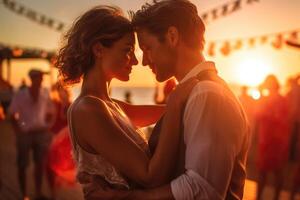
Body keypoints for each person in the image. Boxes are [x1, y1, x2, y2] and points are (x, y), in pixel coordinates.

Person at [86, 1, 250, 199]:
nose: (144, 61)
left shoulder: (206, 94)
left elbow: (203, 190)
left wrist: (121, 197)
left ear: (172, 37)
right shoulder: (195, 93)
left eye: (147, 48)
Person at [55, 5, 197, 199]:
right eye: (127, 50)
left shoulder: (110, 105)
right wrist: (177, 101)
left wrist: (196, 97)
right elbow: (149, 175)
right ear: (98, 49)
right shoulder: (88, 109)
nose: (135, 62)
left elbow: (165, 113)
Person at [8, 69, 55, 200]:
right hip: (25, 134)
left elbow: (51, 110)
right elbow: (12, 114)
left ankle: (38, 193)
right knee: (22, 165)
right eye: (39, 78)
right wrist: (18, 131)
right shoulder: (21, 95)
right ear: (32, 78)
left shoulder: (44, 93)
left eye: (41, 78)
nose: (41, 80)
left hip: (40, 133)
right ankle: (24, 195)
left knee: (39, 164)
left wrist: (48, 125)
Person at [255, 75, 291, 200]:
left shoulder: (281, 100)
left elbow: (282, 119)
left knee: (277, 171)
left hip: (277, 140)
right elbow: (257, 114)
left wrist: (267, 114)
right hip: (266, 139)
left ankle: (275, 197)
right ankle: (258, 197)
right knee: (263, 172)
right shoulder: (265, 99)